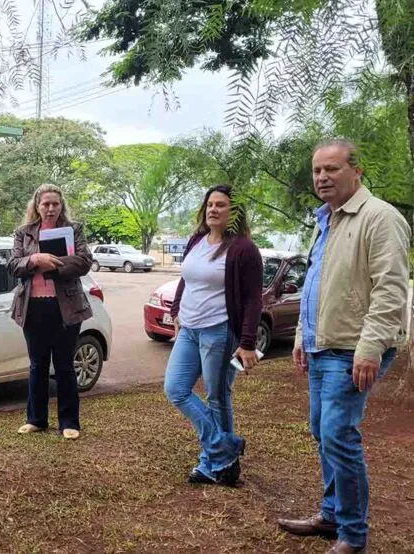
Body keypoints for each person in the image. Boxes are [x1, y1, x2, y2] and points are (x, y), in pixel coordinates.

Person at [277, 140, 410, 554]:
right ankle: (332, 514)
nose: (322, 178)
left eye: (331, 169)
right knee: (323, 431)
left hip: (355, 347)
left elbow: (391, 290)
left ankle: (353, 534)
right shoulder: (326, 220)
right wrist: (303, 335)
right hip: (323, 344)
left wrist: (370, 348)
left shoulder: (379, 218)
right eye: (317, 171)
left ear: (357, 171)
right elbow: (315, 284)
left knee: (338, 433)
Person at [164, 185, 262, 487]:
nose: (213, 210)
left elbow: (252, 299)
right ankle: (226, 449)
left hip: (219, 331)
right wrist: (177, 311)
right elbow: (186, 279)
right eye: (209, 204)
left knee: (218, 397)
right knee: (175, 388)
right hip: (189, 329)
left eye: (221, 205)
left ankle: (213, 463)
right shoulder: (197, 240)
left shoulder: (243, 249)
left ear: (233, 212)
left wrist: (246, 343)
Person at [7, 184, 93, 440]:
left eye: (55, 204)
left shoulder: (74, 229)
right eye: (46, 204)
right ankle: (36, 419)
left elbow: (84, 261)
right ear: (37, 206)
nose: (51, 208)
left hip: (65, 307)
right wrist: (34, 260)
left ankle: (69, 422)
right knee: (37, 366)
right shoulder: (24, 233)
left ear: (61, 205)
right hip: (33, 307)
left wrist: (52, 264)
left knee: (65, 366)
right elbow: (13, 265)